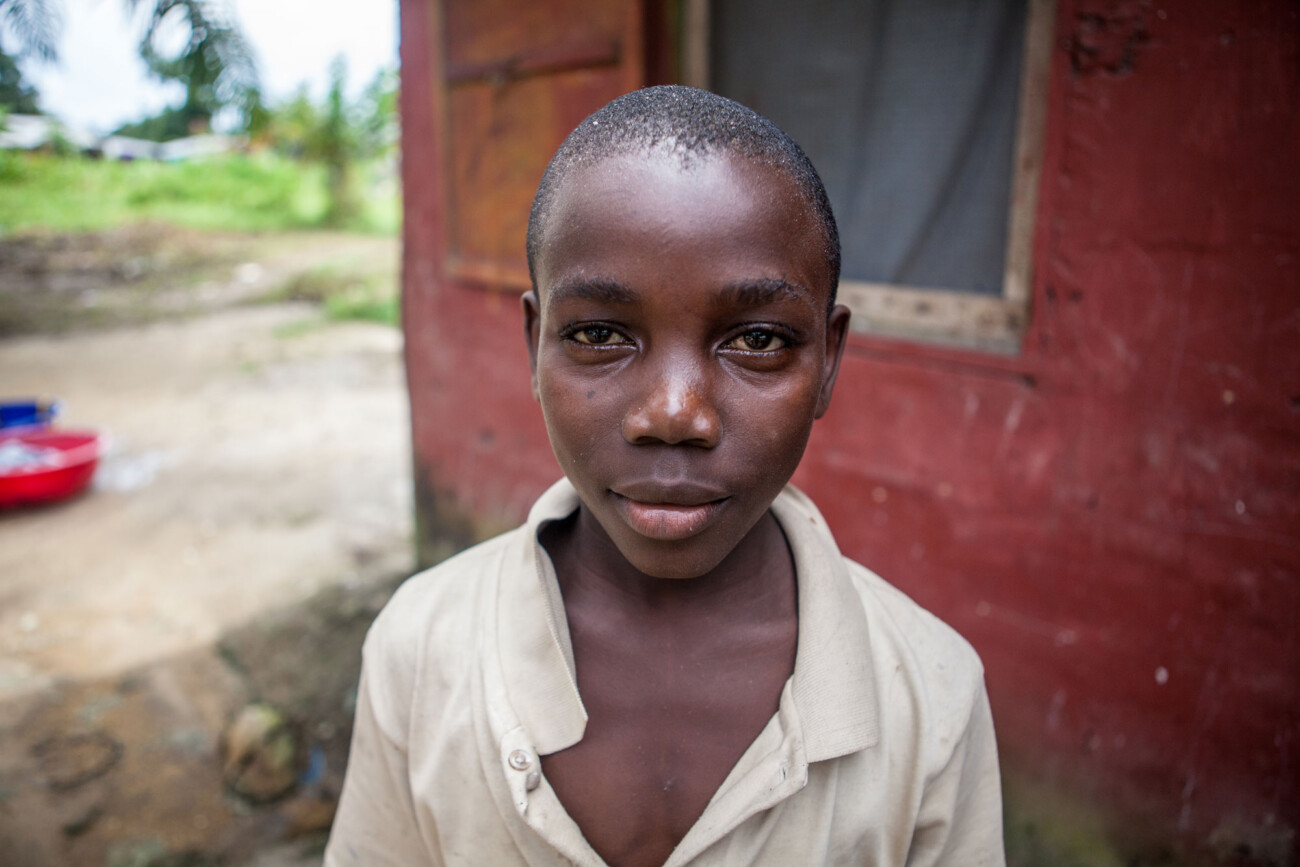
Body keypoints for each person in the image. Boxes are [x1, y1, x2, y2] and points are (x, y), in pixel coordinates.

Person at [324, 86, 1004, 867]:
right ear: (535, 345)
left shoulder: (933, 695)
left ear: (828, 360)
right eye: (598, 333)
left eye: (757, 340)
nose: (675, 413)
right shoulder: (419, 649)